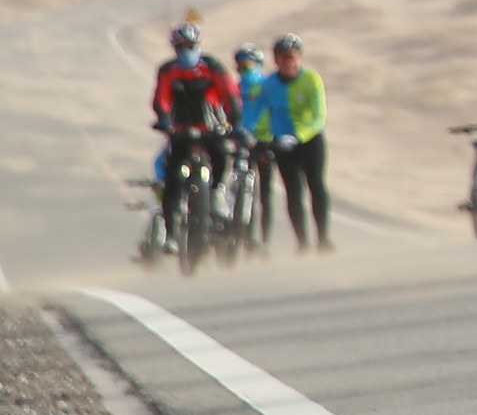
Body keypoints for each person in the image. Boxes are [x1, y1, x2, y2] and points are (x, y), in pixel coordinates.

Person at [143, 22, 238, 261]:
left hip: (210, 128)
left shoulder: (212, 67)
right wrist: (164, 120)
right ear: (174, 48)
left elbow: (229, 96)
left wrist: (233, 123)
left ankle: (216, 191)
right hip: (180, 130)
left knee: (221, 154)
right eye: (181, 46)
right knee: (173, 176)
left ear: (198, 46)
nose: (186, 51)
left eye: (190, 46)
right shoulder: (168, 70)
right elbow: (161, 99)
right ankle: (172, 235)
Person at [269, 34, 334, 252]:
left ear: (300, 59)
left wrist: (299, 136)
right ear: (276, 60)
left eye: (293, 57)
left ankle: (323, 238)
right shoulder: (269, 84)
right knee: (293, 191)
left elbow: (319, 117)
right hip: (281, 142)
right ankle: (302, 242)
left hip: (309, 139)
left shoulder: (312, 79)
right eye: (284, 58)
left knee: (316, 184)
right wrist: (262, 136)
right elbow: (258, 113)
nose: (289, 62)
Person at [234, 45, 287, 239]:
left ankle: (263, 239)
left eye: (246, 66)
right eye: (239, 67)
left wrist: (274, 138)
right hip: (241, 142)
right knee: (239, 188)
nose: (242, 72)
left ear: (258, 65)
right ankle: (240, 233)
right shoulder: (235, 87)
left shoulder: (267, 87)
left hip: (264, 143)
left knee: (265, 194)